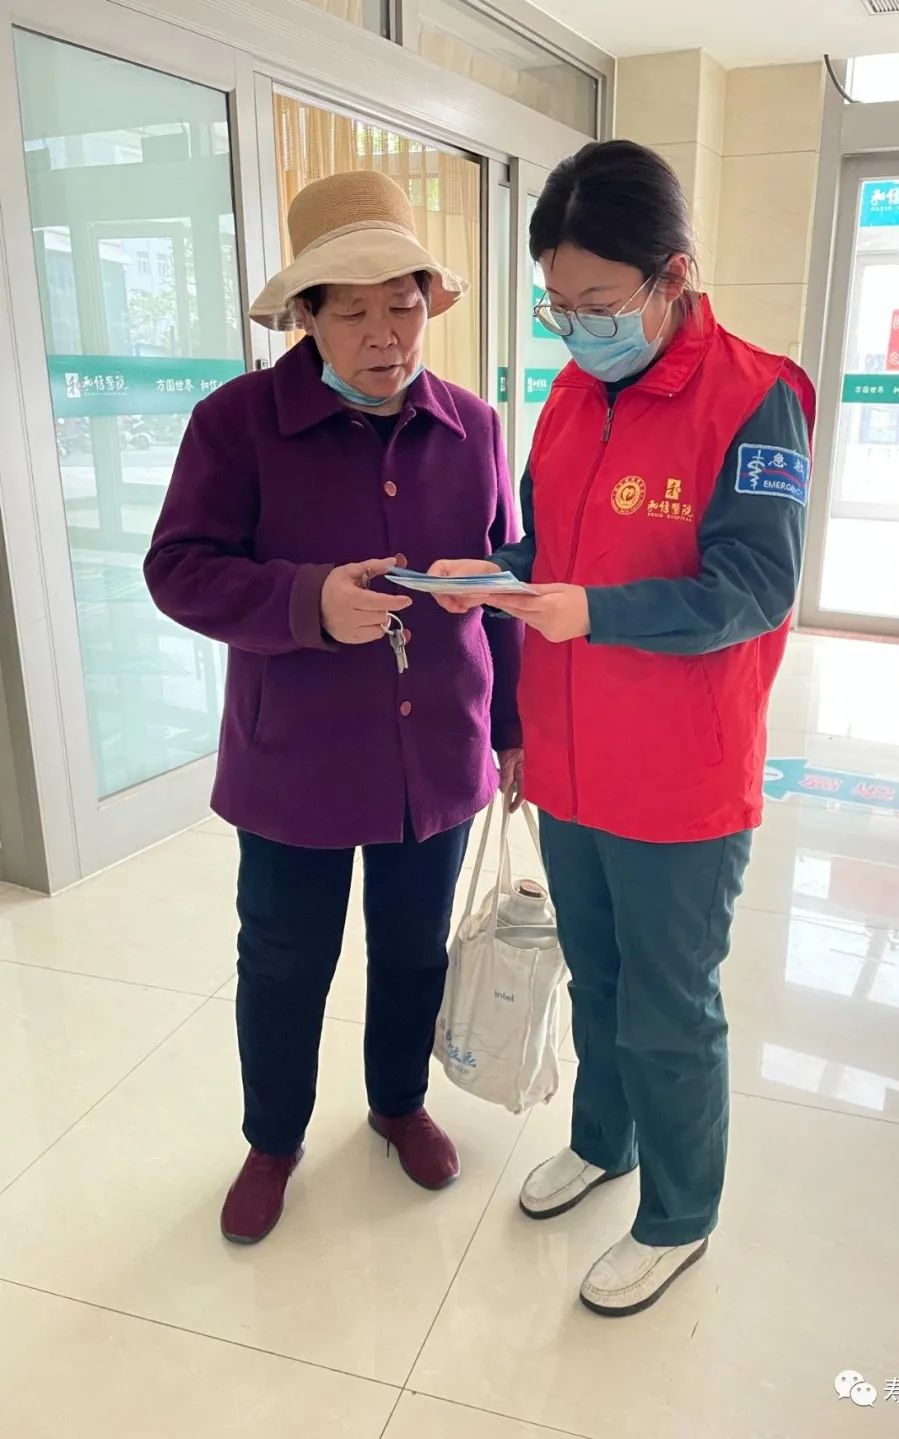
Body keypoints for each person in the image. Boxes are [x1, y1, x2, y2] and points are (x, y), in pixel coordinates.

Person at [431, 140, 815, 1316]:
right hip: (572, 761)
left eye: (599, 303)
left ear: (673, 276)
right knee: (594, 975)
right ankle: (604, 1139)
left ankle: (679, 1214)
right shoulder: (569, 395)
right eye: (559, 304)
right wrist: (496, 573)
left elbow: (755, 587)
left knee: (668, 1006)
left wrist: (593, 611)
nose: (578, 327)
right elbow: (549, 550)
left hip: (681, 778)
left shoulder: (755, 397)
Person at [145, 170, 523, 1245]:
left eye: (402, 304)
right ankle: (273, 1138)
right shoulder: (238, 422)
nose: (384, 334)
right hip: (295, 760)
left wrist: (512, 726)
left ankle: (399, 1103)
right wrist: (308, 600)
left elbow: (505, 572)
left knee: (414, 949)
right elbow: (179, 569)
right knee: (283, 958)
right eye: (351, 311)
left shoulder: (472, 425)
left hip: (437, 749)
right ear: (305, 317)